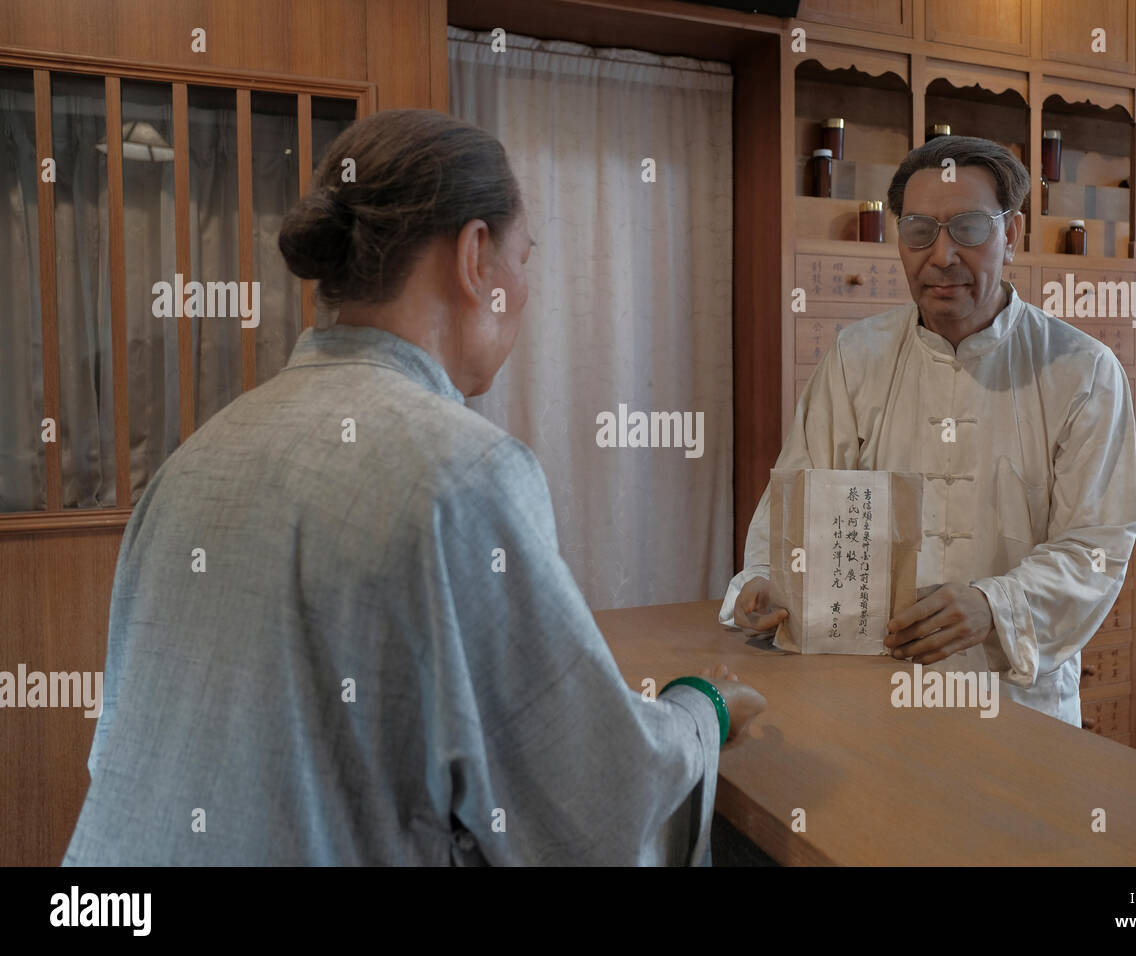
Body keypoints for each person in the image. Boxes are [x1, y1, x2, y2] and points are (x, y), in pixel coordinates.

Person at [62, 109, 765, 866]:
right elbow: (593, 802)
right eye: (525, 258)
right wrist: (701, 707)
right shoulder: (464, 471)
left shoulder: (194, 459)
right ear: (473, 257)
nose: (527, 290)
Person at [720, 135, 1136, 726]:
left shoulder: (1082, 371)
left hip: (1016, 697)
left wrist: (995, 605)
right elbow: (798, 497)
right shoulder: (856, 356)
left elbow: (1096, 546)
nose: (941, 254)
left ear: (1011, 235)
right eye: (918, 230)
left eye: (968, 227)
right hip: (872, 687)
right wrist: (764, 583)